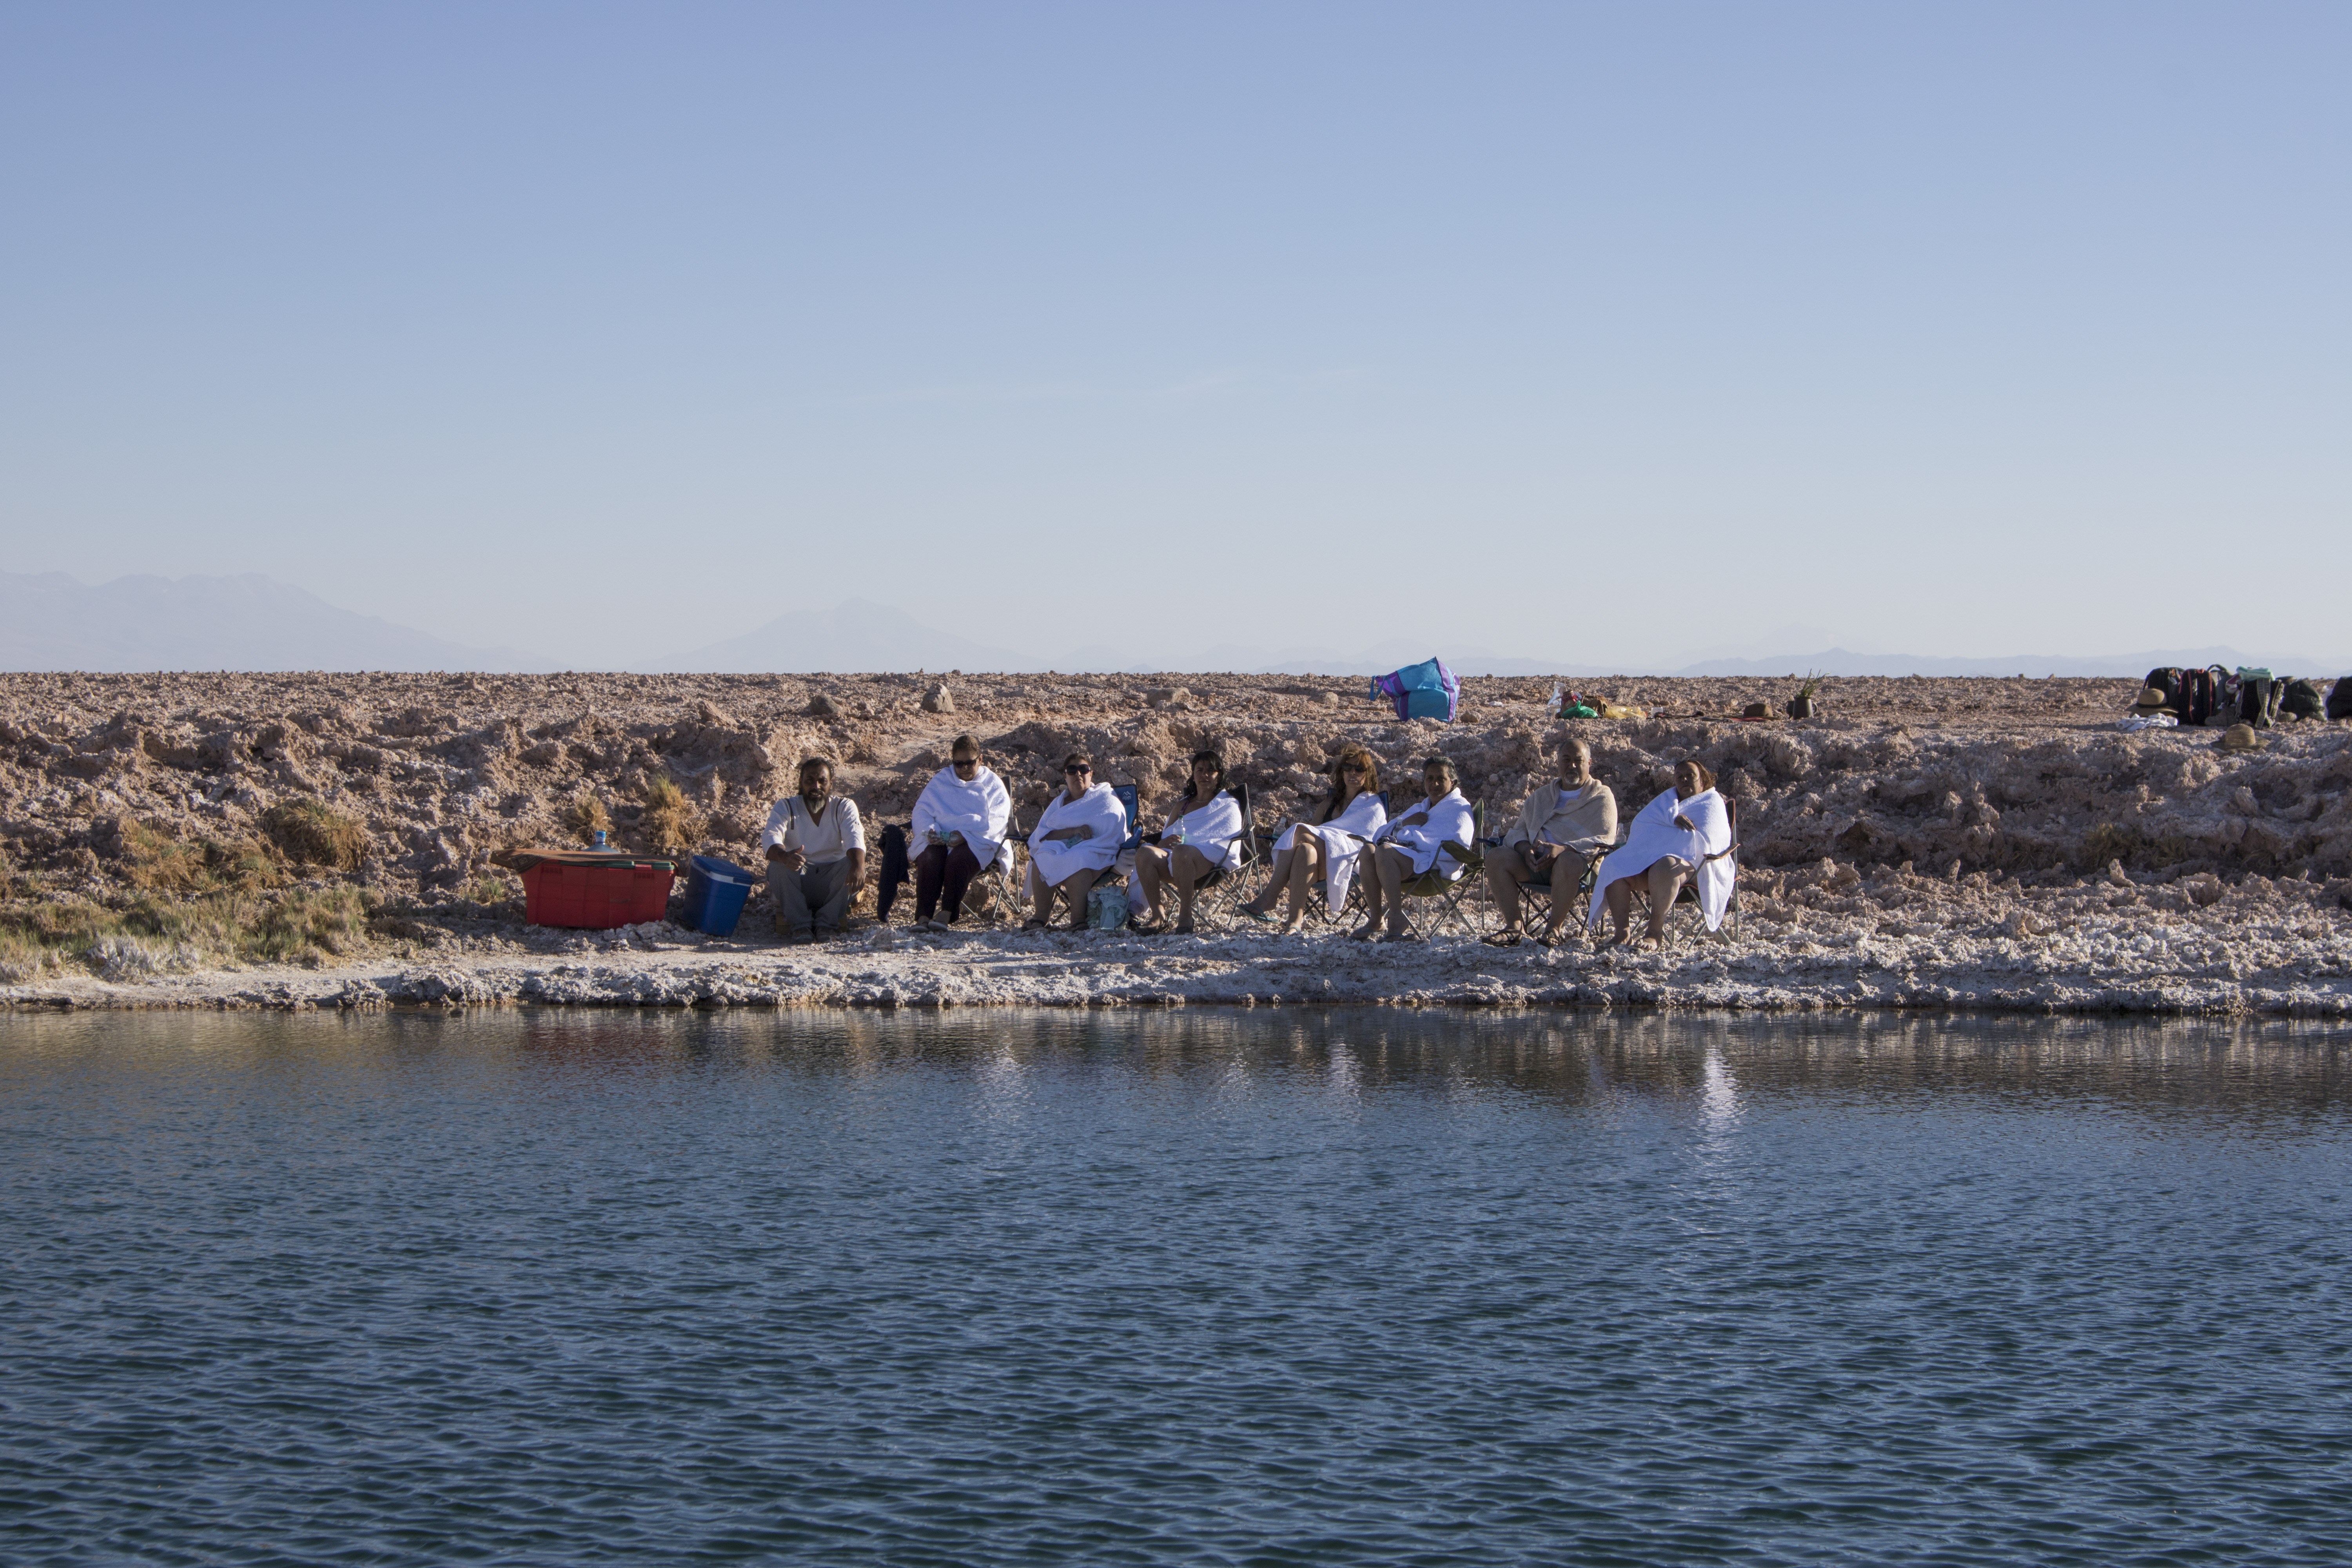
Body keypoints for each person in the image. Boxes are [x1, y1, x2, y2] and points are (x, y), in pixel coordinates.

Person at [1483, 738, 1617, 947]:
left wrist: (1563, 849)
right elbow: (1517, 832)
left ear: (1589, 763)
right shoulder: (1542, 796)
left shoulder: (1601, 797)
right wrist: (1526, 849)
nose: (1572, 766)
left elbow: (1605, 839)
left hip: (1576, 868)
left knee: (1569, 861)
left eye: (1578, 760)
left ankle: (1553, 929)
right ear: (1558, 762)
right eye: (1566, 760)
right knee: (1496, 857)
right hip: (1535, 864)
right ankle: (1514, 927)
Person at [1240, 745, 1386, 934]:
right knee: (1305, 850)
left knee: (1299, 831)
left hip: (1350, 857)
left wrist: (1332, 839)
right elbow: (1317, 832)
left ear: (1368, 774)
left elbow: (1368, 839)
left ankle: (1270, 896)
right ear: (1341, 772)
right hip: (1322, 862)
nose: (1353, 773)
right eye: (1348, 768)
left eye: (1360, 769)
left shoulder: (1373, 804)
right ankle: (1294, 922)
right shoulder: (1329, 805)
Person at [1588, 759, 1732, 946]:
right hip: (1652, 864)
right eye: (1680, 777)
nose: (1685, 780)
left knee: (1666, 865)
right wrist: (1672, 819)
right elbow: (1644, 825)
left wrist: (1678, 840)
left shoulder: (1712, 803)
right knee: (1614, 865)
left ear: (1703, 781)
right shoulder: (1666, 803)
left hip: (1696, 867)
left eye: (1691, 776)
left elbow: (1712, 840)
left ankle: (1654, 933)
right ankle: (1623, 933)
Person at [1354, 756, 1476, 942]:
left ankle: (1396, 917)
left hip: (1436, 864)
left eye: (1441, 779)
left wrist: (1412, 841)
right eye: (1429, 778)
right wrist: (1407, 823)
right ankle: (1377, 919)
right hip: (1409, 858)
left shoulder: (1459, 808)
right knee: (1368, 850)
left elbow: (1458, 843)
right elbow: (1382, 834)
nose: (1434, 783)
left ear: (1453, 782)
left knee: (1385, 851)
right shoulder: (1420, 807)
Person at [908, 733, 1013, 930]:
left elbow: (998, 819)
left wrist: (966, 836)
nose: (964, 768)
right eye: (958, 764)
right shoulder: (941, 781)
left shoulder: (993, 785)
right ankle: (923, 915)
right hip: (941, 838)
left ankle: (947, 912)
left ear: (980, 760)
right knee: (930, 857)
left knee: (959, 860)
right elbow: (922, 810)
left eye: (970, 763)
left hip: (977, 840)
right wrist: (931, 831)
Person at [1133, 750, 1244, 934]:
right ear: (1193, 775)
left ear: (1220, 775)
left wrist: (1190, 846)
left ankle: (1185, 916)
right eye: (1199, 770)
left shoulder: (1228, 805)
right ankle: (1158, 916)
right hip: (1174, 859)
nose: (1205, 775)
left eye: (1211, 771)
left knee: (1182, 852)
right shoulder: (1182, 805)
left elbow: (1225, 838)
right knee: (1145, 853)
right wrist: (1163, 844)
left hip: (1206, 860)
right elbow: (1166, 837)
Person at [760, 757, 866, 941]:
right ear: (801, 784)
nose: (816, 787)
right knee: (777, 866)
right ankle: (800, 927)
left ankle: (827, 925)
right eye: (809, 780)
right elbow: (770, 838)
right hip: (799, 883)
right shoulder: (786, 806)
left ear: (830, 784)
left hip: (833, 886)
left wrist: (859, 866)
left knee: (854, 862)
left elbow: (854, 838)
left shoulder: (844, 806)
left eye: (822, 781)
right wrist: (785, 857)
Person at [1024, 755, 1128, 931]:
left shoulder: (1104, 798)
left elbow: (1113, 826)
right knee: (1042, 855)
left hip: (1095, 847)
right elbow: (1044, 836)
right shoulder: (1059, 804)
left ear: (1091, 774)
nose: (1078, 774)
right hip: (1061, 846)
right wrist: (1073, 831)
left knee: (1080, 858)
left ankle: (1078, 919)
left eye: (1083, 770)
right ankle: (1040, 917)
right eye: (1072, 770)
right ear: (1065, 776)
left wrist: (1089, 837)